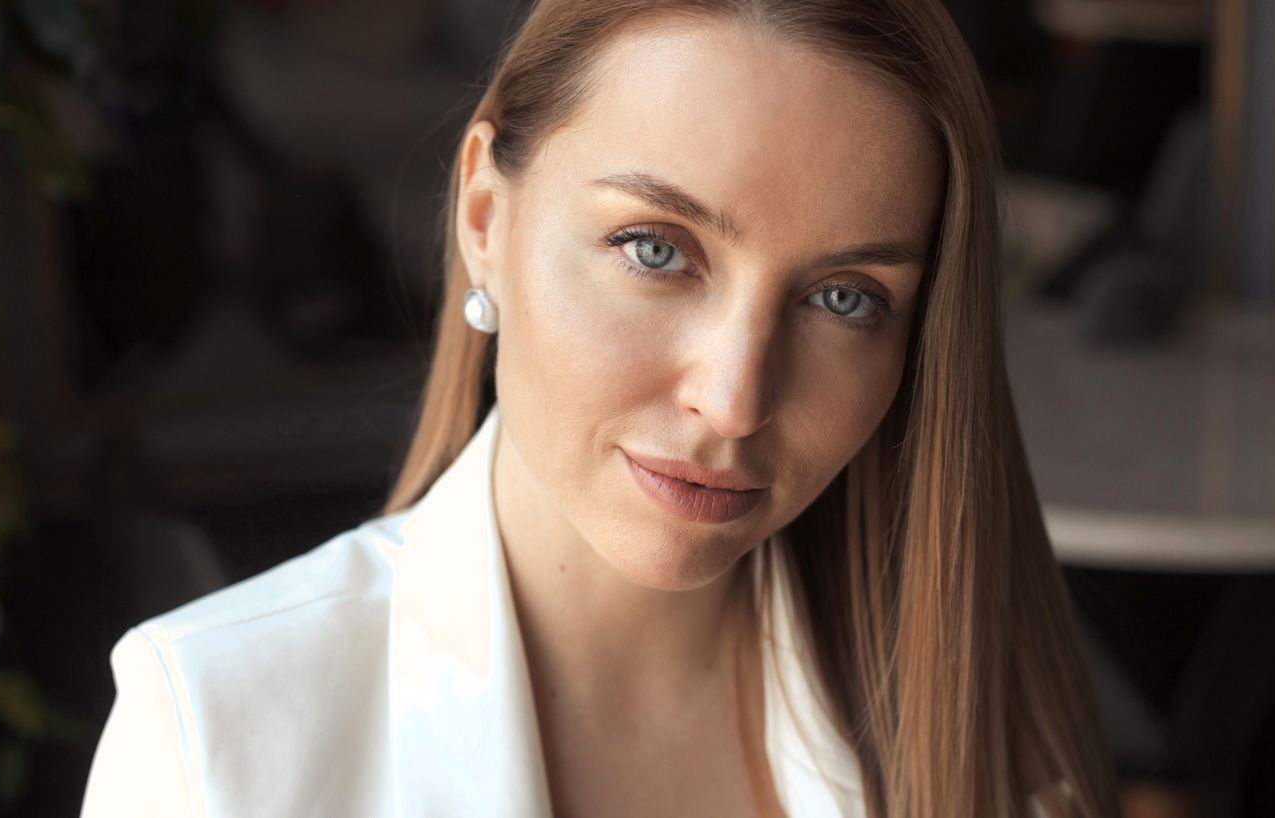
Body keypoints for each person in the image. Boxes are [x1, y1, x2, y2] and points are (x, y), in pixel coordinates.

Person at [79, 1, 1120, 816]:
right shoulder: (216, 731)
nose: (733, 396)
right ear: (485, 214)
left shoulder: (984, 729)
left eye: (845, 298)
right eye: (656, 249)